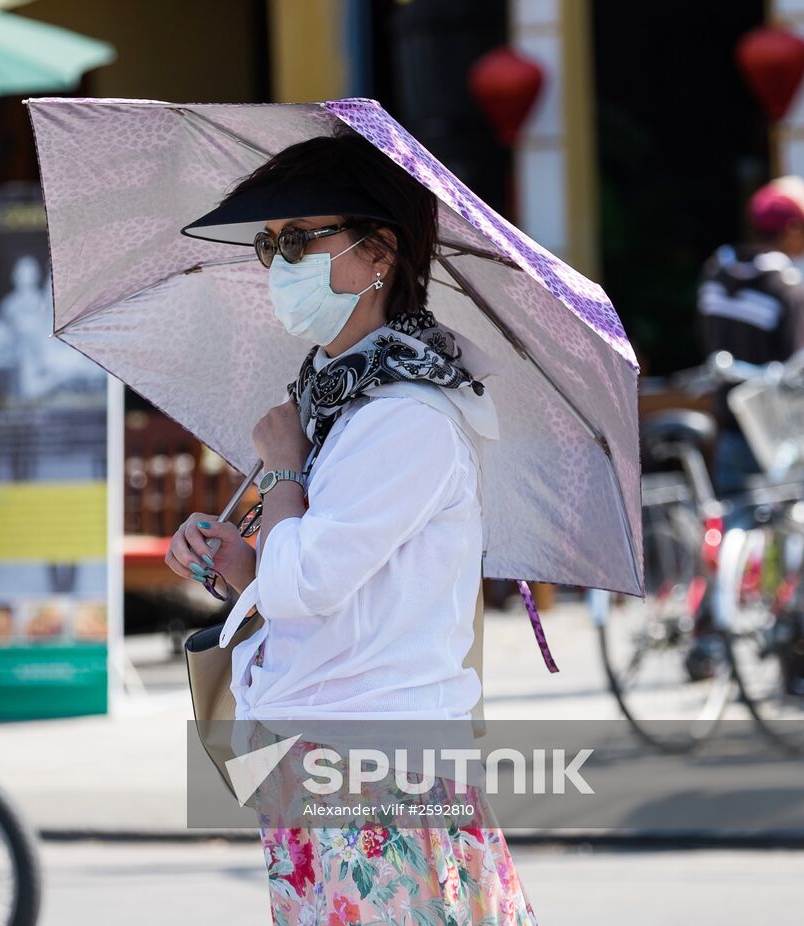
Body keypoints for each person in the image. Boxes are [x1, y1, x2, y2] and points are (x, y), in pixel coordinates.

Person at [168, 127, 537, 924]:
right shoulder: (339, 404)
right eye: (270, 246)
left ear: (380, 255)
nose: (280, 263)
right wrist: (237, 564)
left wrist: (288, 468)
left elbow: (307, 586)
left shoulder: (405, 419)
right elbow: (323, 592)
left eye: (301, 239)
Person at [697, 175, 804, 495]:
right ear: (791, 230)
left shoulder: (717, 273)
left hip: (729, 429)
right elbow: (798, 365)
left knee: (733, 522)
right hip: (778, 443)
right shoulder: (787, 287)